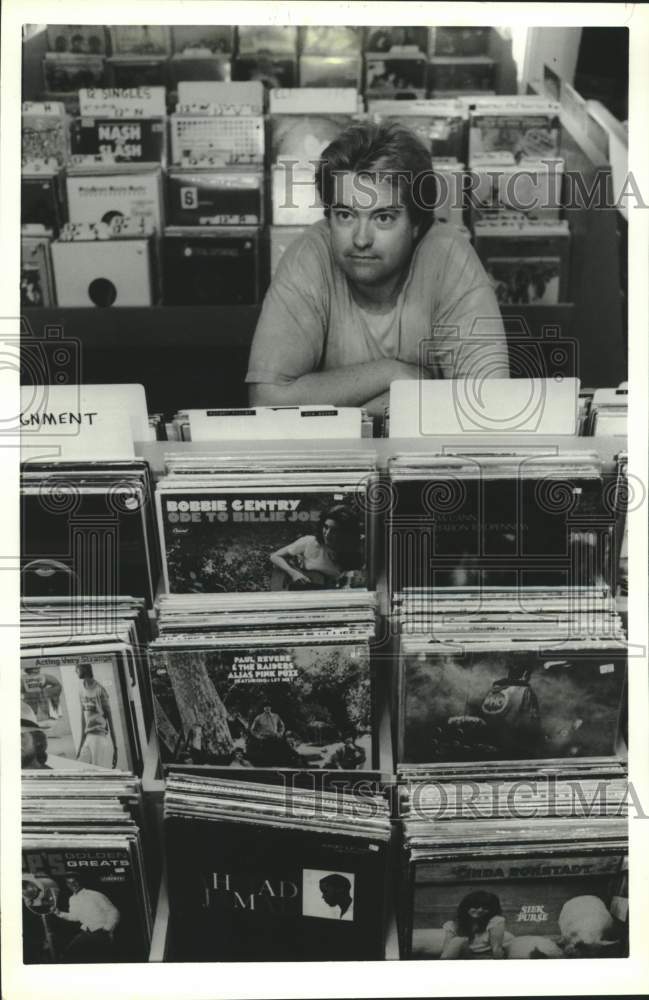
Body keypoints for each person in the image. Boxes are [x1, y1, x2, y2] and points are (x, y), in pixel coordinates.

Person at [247, 121, 509, 418]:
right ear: (328, 216)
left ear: (417, 224)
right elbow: (265, 400)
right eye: (345, 215)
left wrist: (368, 410)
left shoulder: (450, 258)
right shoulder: (309, 256)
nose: (361, 239)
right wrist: (395, 374)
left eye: (383, 218)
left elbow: (489, 403)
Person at [270, 504, 363, 589]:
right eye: (326, 527)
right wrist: (294, 573)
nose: (327, 534)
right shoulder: (310, 542)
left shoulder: (352, 553)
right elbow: (275, 556)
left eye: (334, 530)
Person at [53, 875, 119, 962]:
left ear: (80, 882)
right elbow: (75, 916)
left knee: (100, 960)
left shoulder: (94, 894)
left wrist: (107, 929)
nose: (73, 885)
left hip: (101, 932)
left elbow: (113, 912)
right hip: (86, 932)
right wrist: (59, 913)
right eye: (69, 883)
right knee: (67, 955)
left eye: (75, 882)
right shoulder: (72, 899)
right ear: (67, 885)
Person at [440, 890, 513, 959]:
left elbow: (496, 949)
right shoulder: (454, 924)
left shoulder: (495, 921)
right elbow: (446, 949)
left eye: (485, 908)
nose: (480, 910)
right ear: (466, 907)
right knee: (458, 941)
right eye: (476, 906)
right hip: (461, 957)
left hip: (485, 957)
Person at [76, 662, 118, 769]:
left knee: (96, 772)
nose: (75, 671)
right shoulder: (81, 691)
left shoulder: (100, 690)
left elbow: (110, 719)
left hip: (99, 737)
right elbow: (83, 721)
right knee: (80, 767)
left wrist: (116, 748)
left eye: (77, 668)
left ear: (84, 669)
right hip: (88, 737)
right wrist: (80, 746)